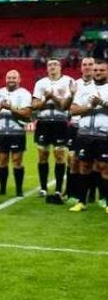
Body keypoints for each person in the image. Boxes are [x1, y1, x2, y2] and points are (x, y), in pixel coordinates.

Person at [69, 59, 108, 213]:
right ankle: (81, 201)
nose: (97, 72)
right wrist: (90, 106)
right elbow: (73, 110)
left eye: (102, 70)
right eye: (96, 70)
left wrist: (103, 103)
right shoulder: (84, 88)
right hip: (84, 134)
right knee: (83, 166)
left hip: (104, 135)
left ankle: (106, 201)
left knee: (104, 167)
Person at [32, 58, 74, 201]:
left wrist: (52, 96)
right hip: (43, 122)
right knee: (42, 155)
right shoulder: (40, 83)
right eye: (50, 65)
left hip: (60, 122)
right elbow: (34, 105)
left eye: (55, 64)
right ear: (46, 68)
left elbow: (66, 105)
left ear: (60, 67)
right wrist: (45, 98)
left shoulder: (68, 81)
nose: (52, 67)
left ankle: (57, 190)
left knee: (59, 155)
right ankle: (43, 188)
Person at [0, 70, 32, 196]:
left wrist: (11, 108)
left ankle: (19, 190)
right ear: (6, 79)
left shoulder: (24, 93)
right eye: (9, 77)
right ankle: (2, 189)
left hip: (17, 131)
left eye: (14, 77)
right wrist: (0, 107)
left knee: (17, 160)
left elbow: (27, 113)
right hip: (0, 131)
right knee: (2, 160)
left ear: (19, 80)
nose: (11, 80)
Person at [67, 57, 96, 203]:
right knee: (73, 160)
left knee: (93, 162)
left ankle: (91, 193)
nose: (87, 67)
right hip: (75, 126)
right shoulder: (75, 84)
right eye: (85, 64)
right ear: (81, 67)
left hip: (93, 128)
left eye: (90, 64)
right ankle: (72, 193)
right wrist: (71, 94)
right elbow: (67, 106)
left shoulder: (100, 84)